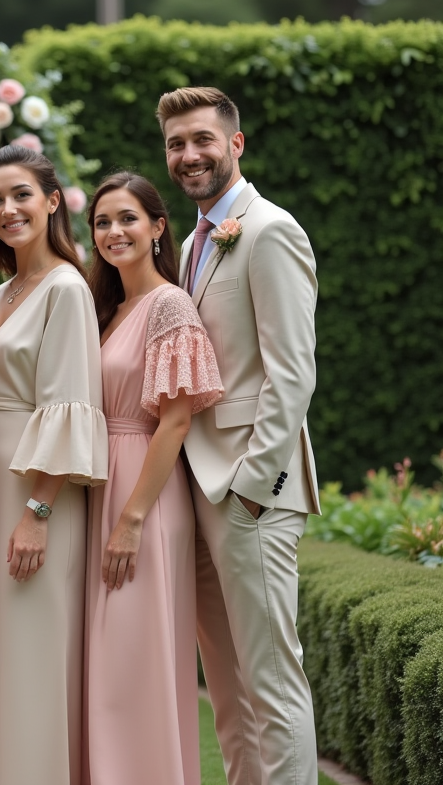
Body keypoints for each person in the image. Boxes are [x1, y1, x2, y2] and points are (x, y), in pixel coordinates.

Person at [159, 85, 320, 785]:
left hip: (250, 489)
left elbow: (293, 373)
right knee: (226, 690)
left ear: (236, 144)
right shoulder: (193, 240)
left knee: (271, 683)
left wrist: (256, 487)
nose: (188, 155)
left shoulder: (269, 229)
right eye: (175, 144)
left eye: (201, 140)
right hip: (195, 486)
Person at [83, 171, 223, 785]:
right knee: (104, 661)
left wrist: (133, 518)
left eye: (127, 219)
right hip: (99, 486)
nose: (114, 231)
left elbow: (174, 422)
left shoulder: (168, 304)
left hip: (143, 491)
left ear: (158, 227)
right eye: (103, 222)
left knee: (133, 661)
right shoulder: (108, 307)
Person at [0, 144, 107, 785]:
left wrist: (37, 512)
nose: (8, 210)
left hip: (34, 494)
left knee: (34, 657)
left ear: (53, 201)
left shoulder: (66, 290)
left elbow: (69, 407)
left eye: (21, 195)